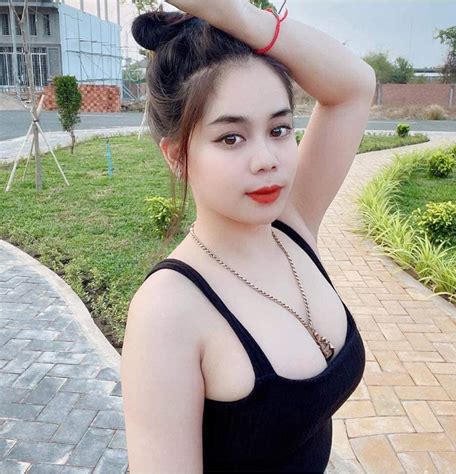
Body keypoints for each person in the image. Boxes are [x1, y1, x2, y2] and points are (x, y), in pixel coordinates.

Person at [121, 0, 375, 472]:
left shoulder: (293, 225)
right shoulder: (168, 311)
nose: (267, 160)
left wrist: (241, 17)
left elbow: (355, 85)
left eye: (279, 129)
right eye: (231, 138)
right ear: (176, 156)